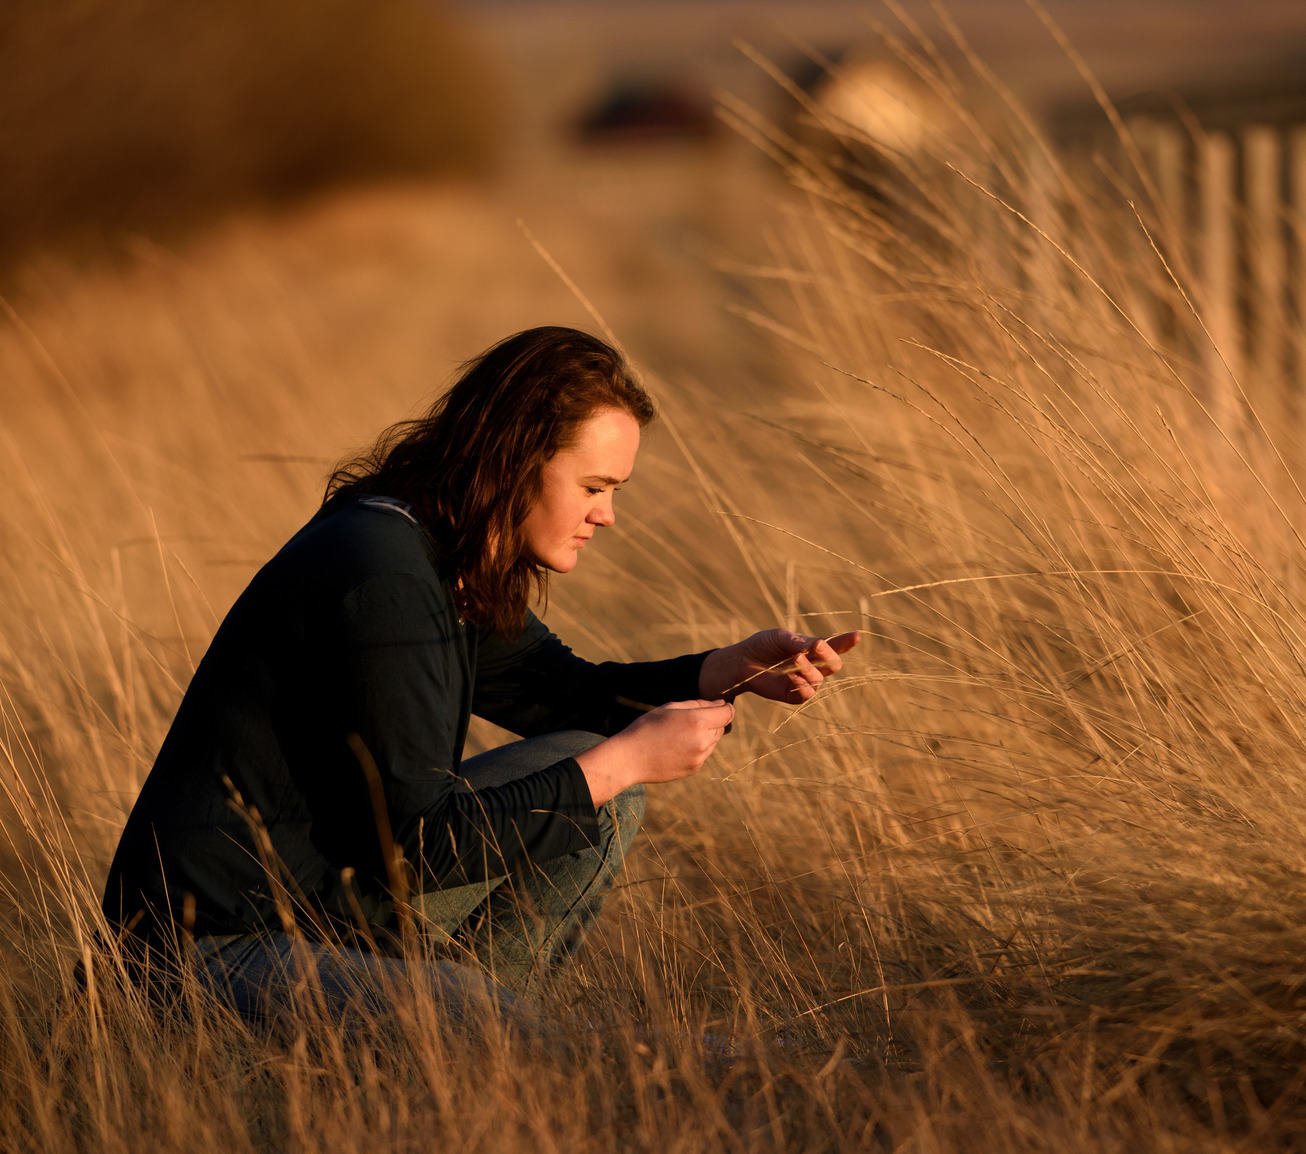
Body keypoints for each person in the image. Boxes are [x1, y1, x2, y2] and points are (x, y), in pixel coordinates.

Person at [101, 326, 858, 1029]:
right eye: (595, 487)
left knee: (598, 796)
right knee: (519, 1033)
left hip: (324, 902)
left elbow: (554, 690)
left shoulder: (438, 546)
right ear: (517, 459)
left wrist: (721, 670)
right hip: (209, 945)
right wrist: (625, 760)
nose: (608, 515)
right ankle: (484, 1036)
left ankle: (467, 1027)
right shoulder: (384, 573)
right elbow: (421, 842)